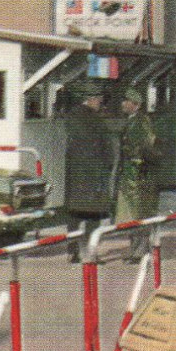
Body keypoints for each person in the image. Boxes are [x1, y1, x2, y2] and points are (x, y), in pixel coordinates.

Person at [62, 80, 115, 261]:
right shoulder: (96, 120)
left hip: (75, 176)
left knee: (74, 217)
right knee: (93, 217)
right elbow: (106, 150)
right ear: (92, 99)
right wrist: (108, 167)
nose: (100, 104)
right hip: (94, 176)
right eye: (99, 100)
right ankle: (91, 253)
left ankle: (72, 252)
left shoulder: (71, 117)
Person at [115, 88, 161, 260]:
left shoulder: (141, 122)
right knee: (132, 214)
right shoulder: (133, 120)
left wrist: (132, 156)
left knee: (139, 213)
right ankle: (136, 251)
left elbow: (145, 148)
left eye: (125, 101)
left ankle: (140, 252)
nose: (122, 104)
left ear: (134, 104)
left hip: (138, 176)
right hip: (131, 176)